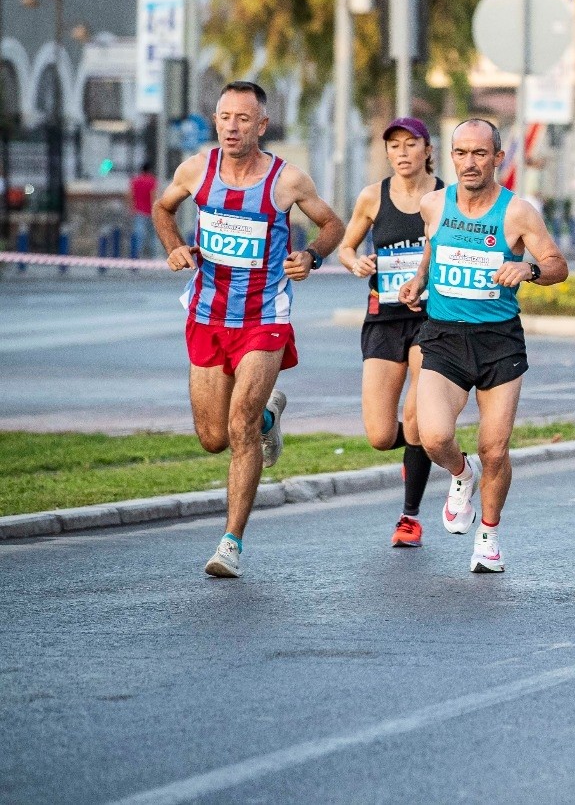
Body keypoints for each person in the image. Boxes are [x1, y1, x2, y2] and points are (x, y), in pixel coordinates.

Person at [152, 80, 344, 578]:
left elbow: (332, 224)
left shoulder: (287, 180)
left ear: (261, 125)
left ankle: (230, 543)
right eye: (224, 117)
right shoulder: (197, 170)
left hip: (264, 316)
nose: (231, 127)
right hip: (207, 313)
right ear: (215, 120)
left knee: (237, 425)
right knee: (213, 437)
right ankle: (267, 421)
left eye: (242, 119)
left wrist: (312, 256)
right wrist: (174, 244)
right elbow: (162, 207)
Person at [396, 119, 569, 575]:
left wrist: (528, 271)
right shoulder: (433, 204)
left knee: (495, 448)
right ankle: (460, 474)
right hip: (444, 335)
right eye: (461, 153)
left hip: (498, 341)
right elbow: (433, 251)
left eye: (479, 154)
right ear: (449, 157)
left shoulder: (518, 212)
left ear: (497, 158)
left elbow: (557, 264)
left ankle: (489, 536)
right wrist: (418, 280)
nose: (469, 163)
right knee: (433, 436)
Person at [336, 117, 442, 548]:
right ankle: (436, 449)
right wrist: (355, 262)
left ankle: (409, 517)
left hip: (432, 317)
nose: (401, 152)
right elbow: (346, 246)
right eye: (394, 145)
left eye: (410, 144)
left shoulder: (445, 198)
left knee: (416, 419)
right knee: (381, 435)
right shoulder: (372, 197)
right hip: (383, 318)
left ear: (427, 150)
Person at [129, 163, 157, 259]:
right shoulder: (152, 181)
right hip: (150, 211)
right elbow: (153, 196)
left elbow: (130, 195)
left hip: (138, 211)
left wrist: (131, 208)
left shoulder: (135, 181)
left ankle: (136, 256)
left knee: (138, 235)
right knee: (152, 235)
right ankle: (153, 256)